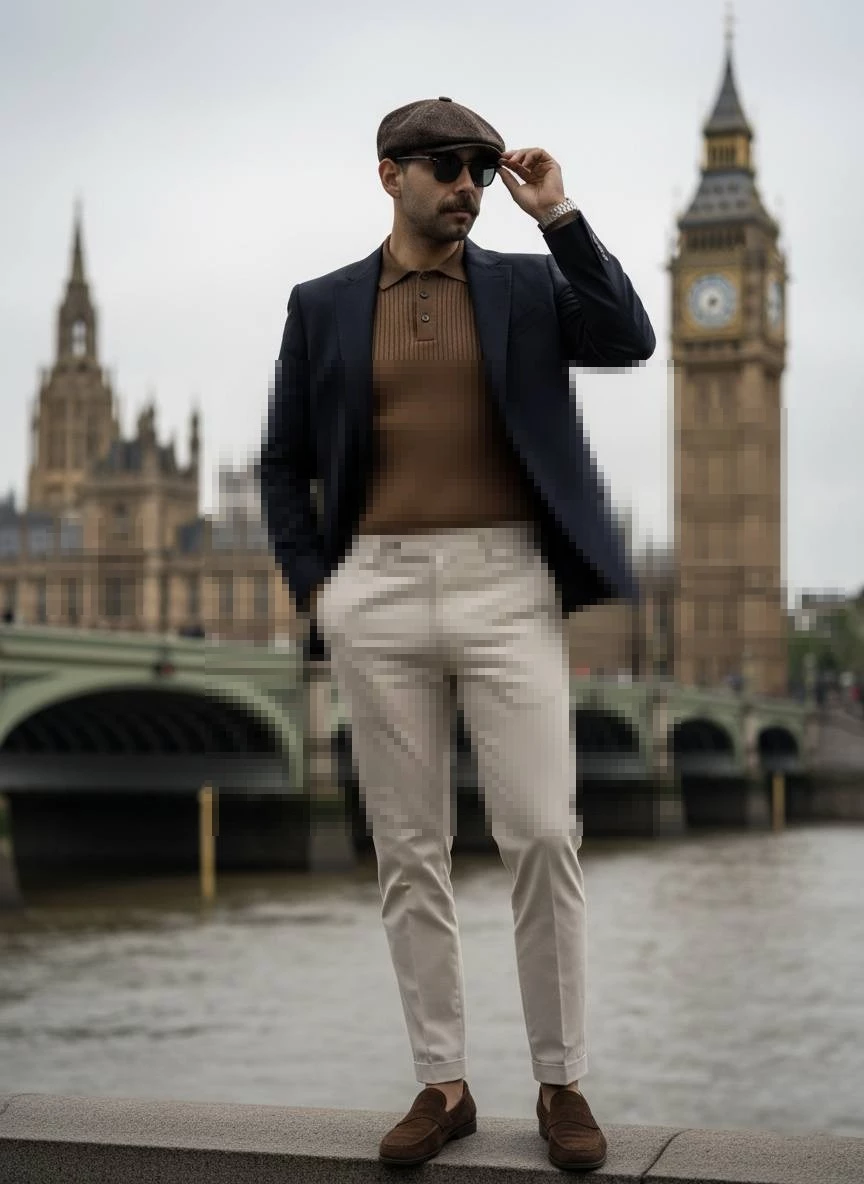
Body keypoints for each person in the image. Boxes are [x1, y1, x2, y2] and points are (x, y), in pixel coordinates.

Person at [260, 96, 655, 1172]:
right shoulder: (324, 302)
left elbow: (629, 337)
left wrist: (558, 214)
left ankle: (562, 1076)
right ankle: (443, 1081)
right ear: (389, 173)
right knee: (409, 849)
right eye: (447, 167)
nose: (469, 185)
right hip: (375, 587)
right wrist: (318, 589)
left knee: (540, 832)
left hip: (504, 579)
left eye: (480, 168)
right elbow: (281, 456)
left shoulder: (526, 286)